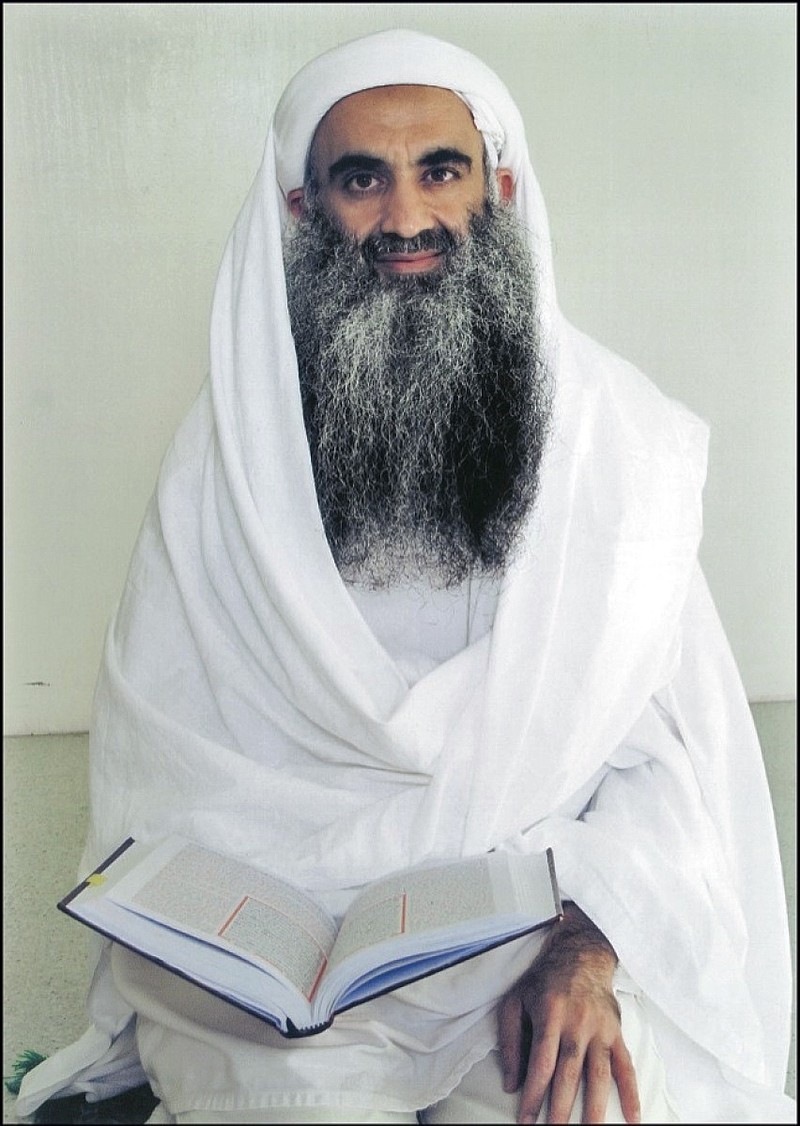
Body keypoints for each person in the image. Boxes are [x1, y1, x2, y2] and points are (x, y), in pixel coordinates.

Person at [15, 28, 794, 1126]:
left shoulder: (610, 449)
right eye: (359, 179)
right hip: (279, 976)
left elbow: (668, 762)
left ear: (500, 186)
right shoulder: (225, 457)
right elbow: (165, 769)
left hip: (528, 939)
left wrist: (582, 949)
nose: (407, 218)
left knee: (590, 1107)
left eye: (439, 169)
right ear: (300, 208)